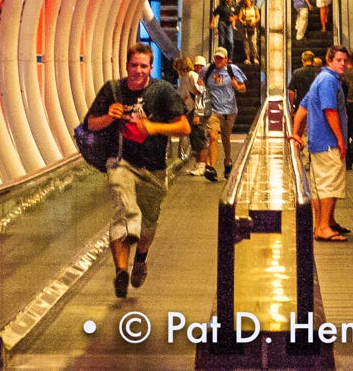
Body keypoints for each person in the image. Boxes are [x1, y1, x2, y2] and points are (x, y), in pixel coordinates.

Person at [83, 43, 190, 297]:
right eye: (134, 65)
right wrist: (109, 116)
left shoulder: (163, 91)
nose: (138, 71)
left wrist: (153, 128)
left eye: (143, 66)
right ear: (127, 66)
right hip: (120, 161)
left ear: (150, 68)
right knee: (126, 210)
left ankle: (140, 258)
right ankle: (121, 271)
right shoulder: (112, 90)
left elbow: (184, 126)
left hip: (154, 168)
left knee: (148, 225)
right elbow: (90, 124)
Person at [289, 45, 350, 242]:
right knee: (329, 185)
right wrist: (340, 139)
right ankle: (323, 226)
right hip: (328, 143)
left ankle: (324, 223)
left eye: (344, 60)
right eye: (338, 60)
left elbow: (303, 107)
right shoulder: (328, 81)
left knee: (319, 185)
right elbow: (330, 110)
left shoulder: (320, 80)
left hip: (316, 142)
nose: (343, 64)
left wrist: (296, 132)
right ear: (329, 60)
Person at [203, 46, 246, 181]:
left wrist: (236, 86)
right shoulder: (207, 70)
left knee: (226, 138)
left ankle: (228, 161)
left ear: (226, 59)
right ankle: (211, 167)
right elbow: (200, 84)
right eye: (216, 57)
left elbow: (243, 88)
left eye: (221, 58)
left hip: (229, 110)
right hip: (213, 110)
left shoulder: (233, 70)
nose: (218, 60)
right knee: (213, 135)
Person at [174, 55, 210, 177]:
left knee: (200, 137)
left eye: (179, 67)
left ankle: (202, 165)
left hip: (198, 110)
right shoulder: (183, 77)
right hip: (190, 110)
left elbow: (200, 93)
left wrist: (197, 114)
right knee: (193, 137)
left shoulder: (192, 76)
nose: (178, 70)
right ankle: (198, 163)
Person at [237, 0, 260, 64]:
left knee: (253, 42)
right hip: (246, 28)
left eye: (248, 0)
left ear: (251, 1)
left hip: (252, 27)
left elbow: (258, 17)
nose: (247, 2)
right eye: (246, 0)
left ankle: (255, 57)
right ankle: (248, 58)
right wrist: (243, 21)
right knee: (246, 43)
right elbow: (239, 17)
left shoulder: (255, 8)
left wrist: (254, 22)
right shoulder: (243, 9)